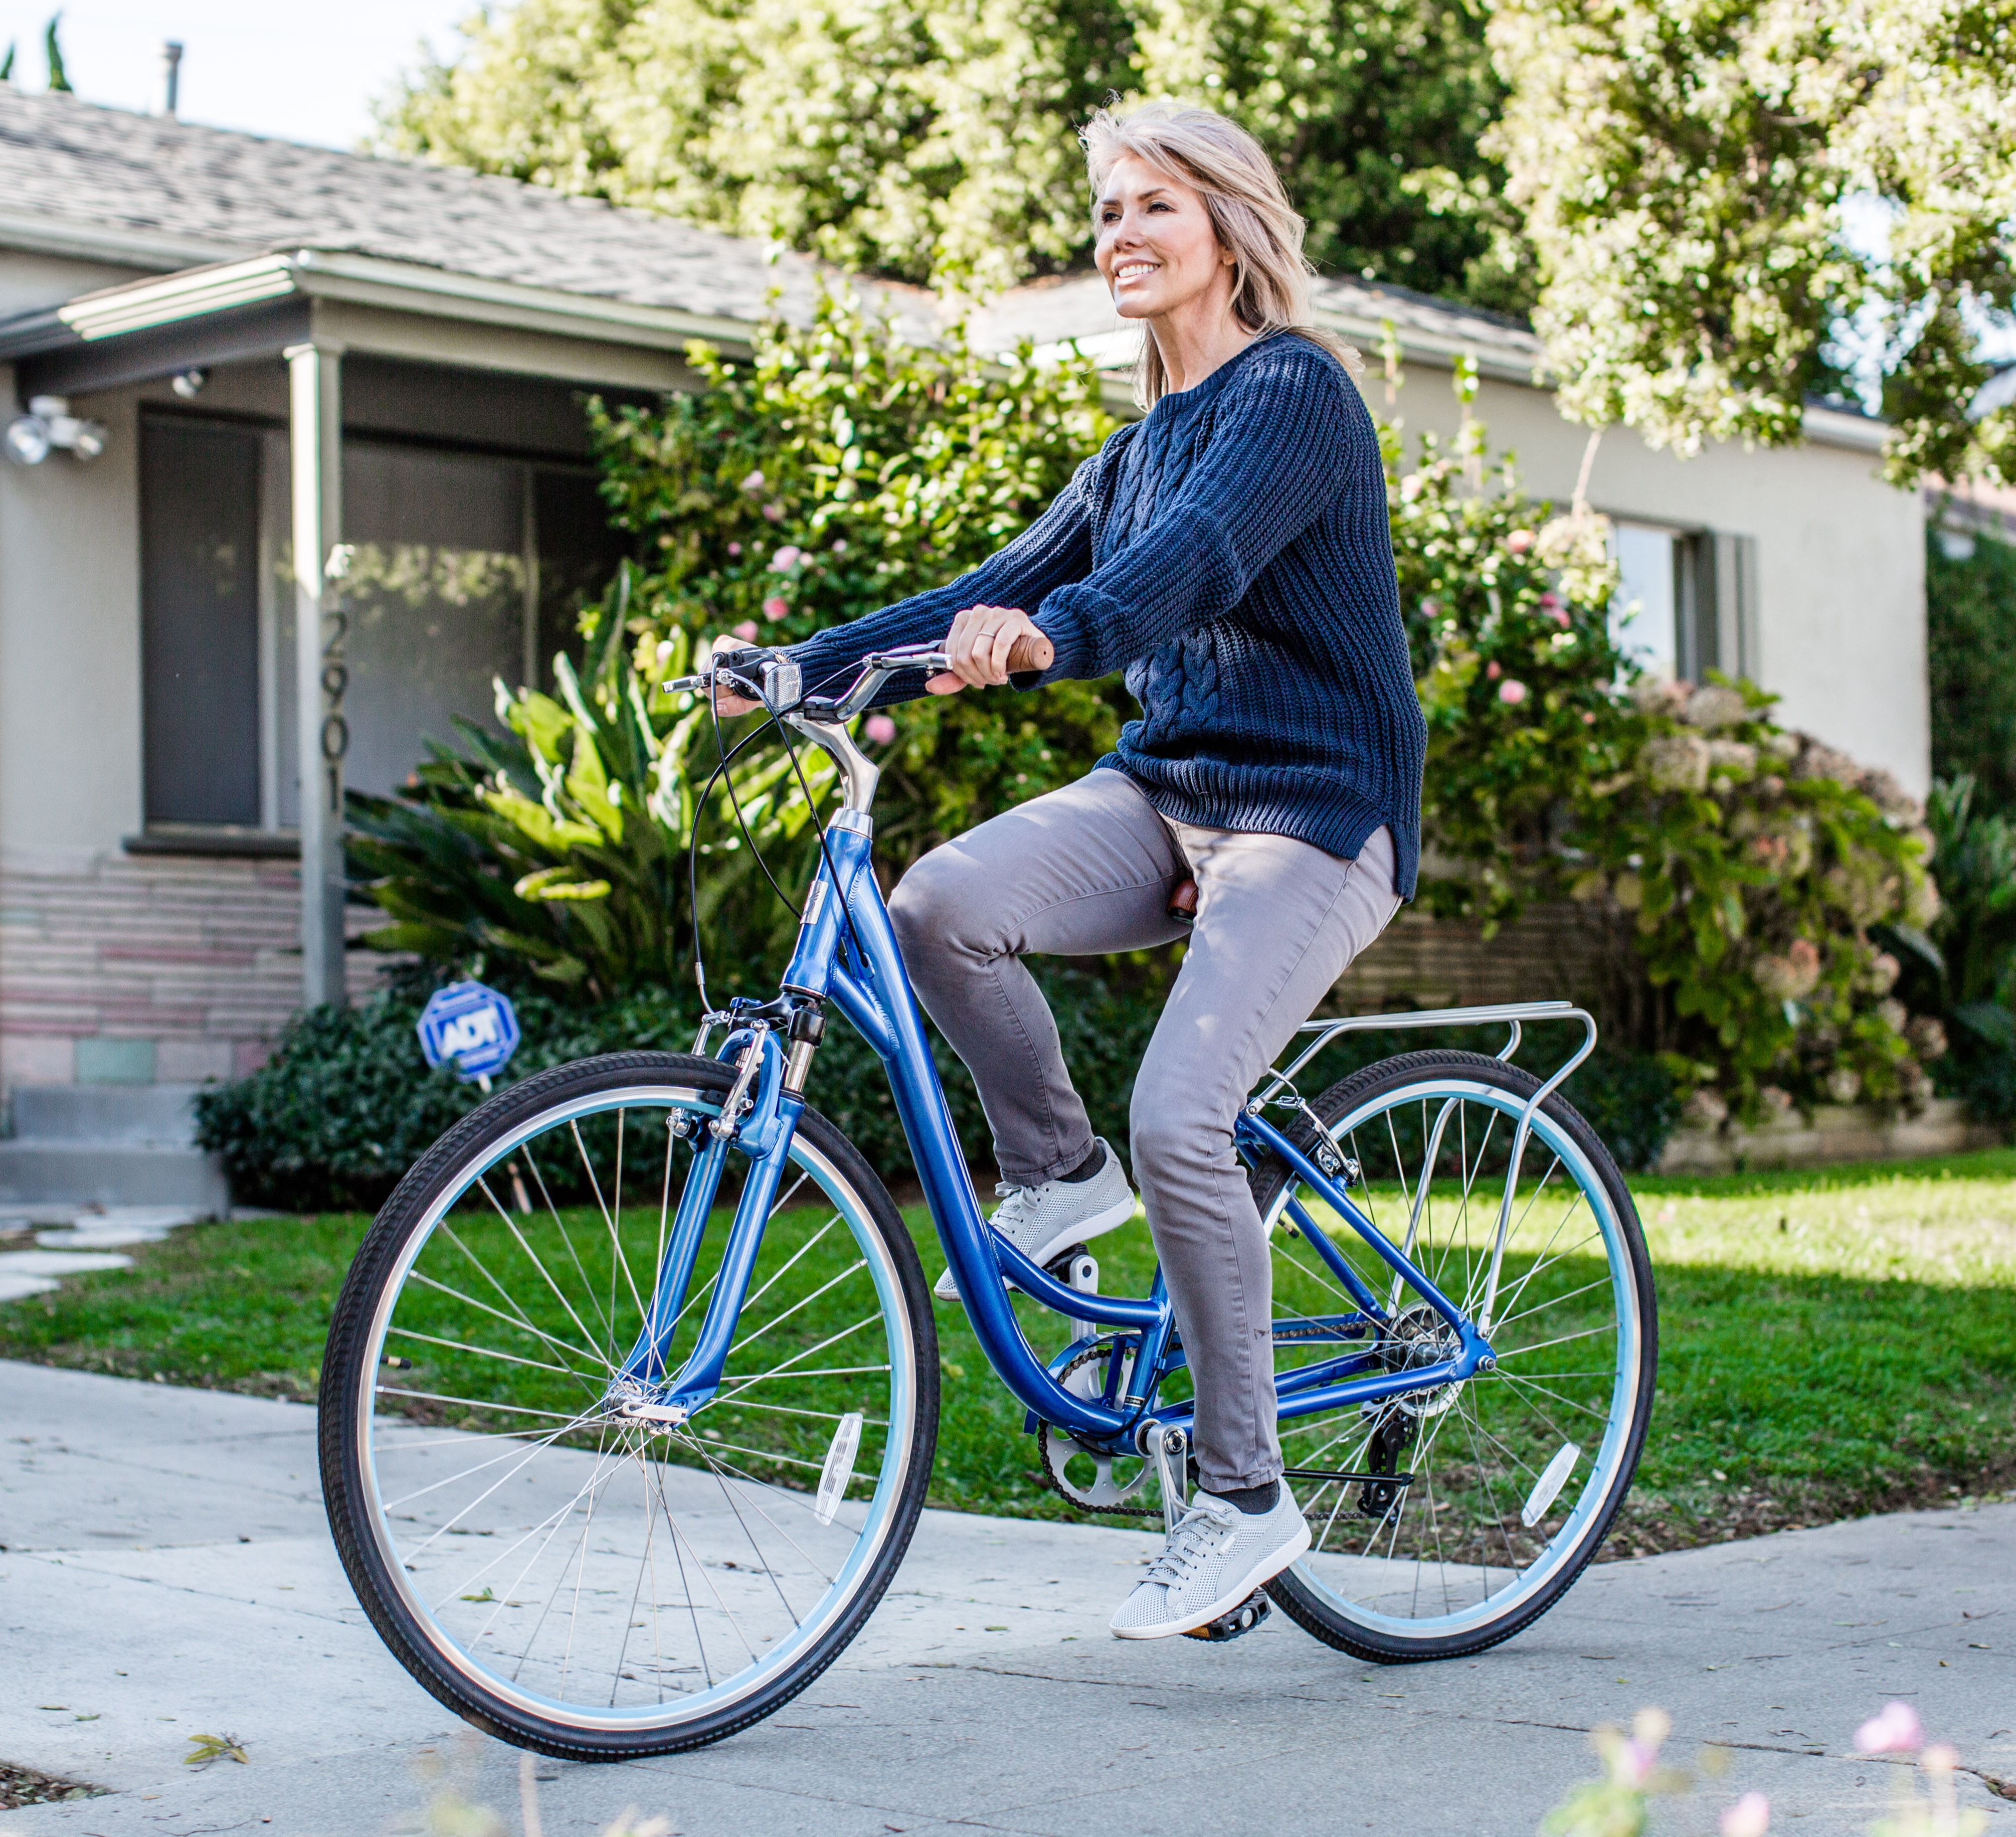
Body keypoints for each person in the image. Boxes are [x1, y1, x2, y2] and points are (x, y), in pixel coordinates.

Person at [716, 100, 1426, 1640]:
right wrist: (801, 665)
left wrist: (1067, 641)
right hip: (1171, 794)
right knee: (940, 909)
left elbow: (1198, 567)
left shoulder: (1295, 393)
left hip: (1316, 813)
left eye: (1156, 205)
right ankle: (1058, 1176)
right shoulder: (1131, 451)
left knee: (1186, 1110)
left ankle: (1243, 1496)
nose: (1122, 234)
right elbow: (991, 587)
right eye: (1107, 210)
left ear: (1228, 227)